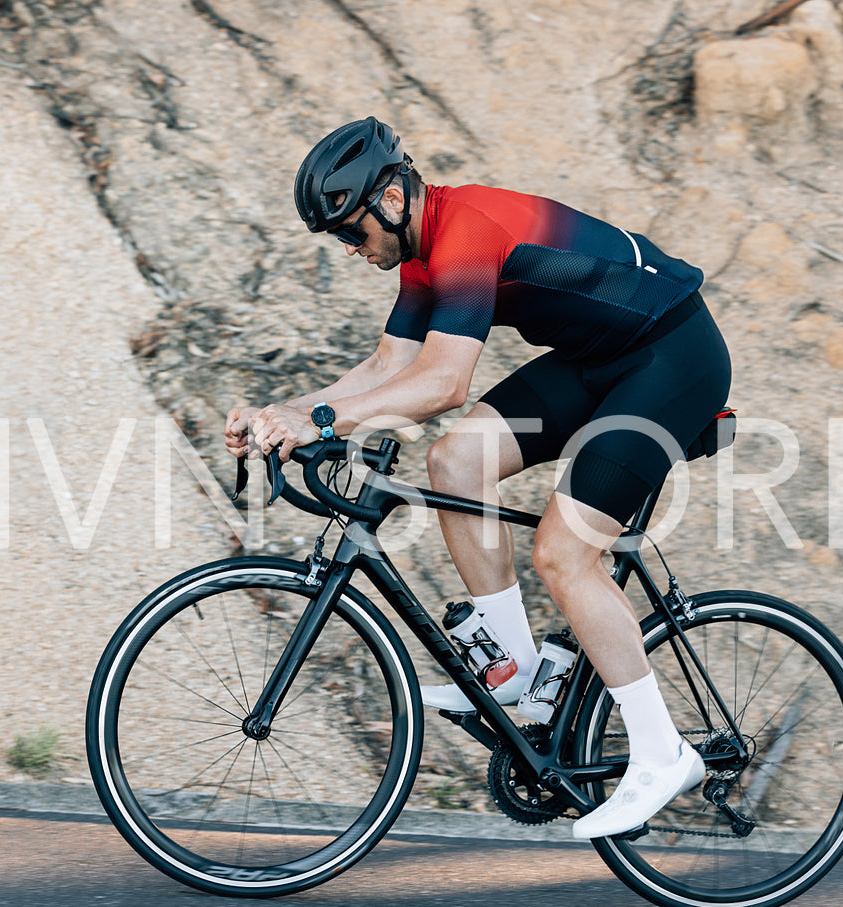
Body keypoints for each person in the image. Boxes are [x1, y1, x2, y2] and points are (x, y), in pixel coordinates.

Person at [224, 117, 731, 839]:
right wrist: (284, 413)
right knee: (455, 460)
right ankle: (515, 666)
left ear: (391, 202)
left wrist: (327, 420)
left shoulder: (466, 231)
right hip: (598, 360)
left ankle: (661, 753)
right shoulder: (422, 257)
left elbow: (443, 382)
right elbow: (384, 369)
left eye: (348, 230)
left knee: (564, 555)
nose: (346, 248)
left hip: (671, 359)